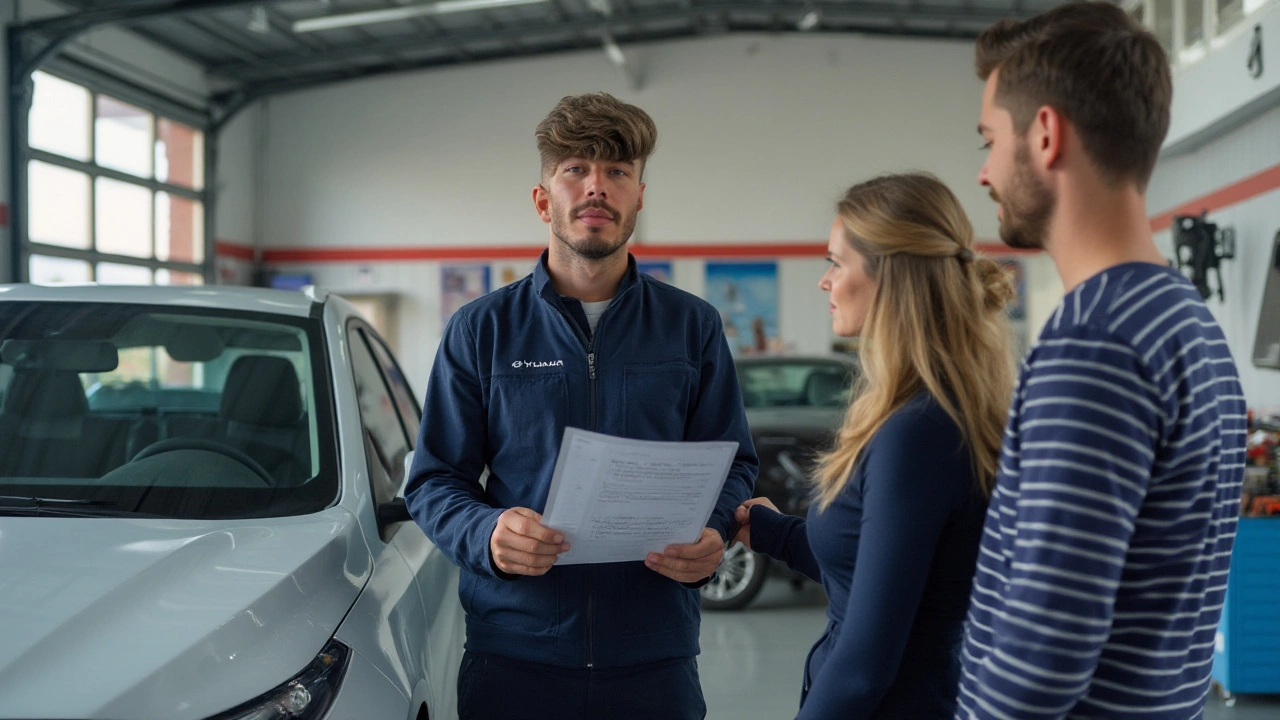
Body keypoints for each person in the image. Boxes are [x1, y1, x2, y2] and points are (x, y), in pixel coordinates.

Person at [404, 92, 757, 720]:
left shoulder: (692, 327)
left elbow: (734, 464)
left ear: (639, 197)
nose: (598, 187)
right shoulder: (480, 330)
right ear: (544, 199)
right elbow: (434, 481)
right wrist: (486, 534)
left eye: (617, 171)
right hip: (515, 656)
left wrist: (718, 530)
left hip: (655, 657)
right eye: (576, 169)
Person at [957, 3, 1247, 718]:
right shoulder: (1187, 322)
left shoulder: (1095, 343)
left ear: (1047, 134)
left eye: (990, 139)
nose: (986, 172)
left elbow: (1043, 650)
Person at [732, 172, 1017, 719]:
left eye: (836, 262)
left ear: (892, 276)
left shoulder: (918, 433)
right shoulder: (924, 412)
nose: (824, 281)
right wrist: (775, 534)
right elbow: (883, 578)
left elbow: (864, 667)